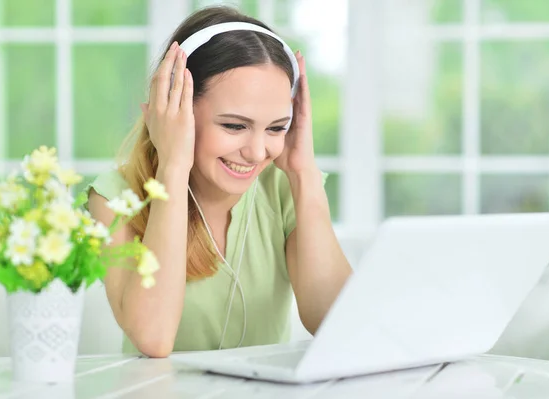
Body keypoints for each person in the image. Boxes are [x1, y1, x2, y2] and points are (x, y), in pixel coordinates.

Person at [85, 5, 352, 358]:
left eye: (276, 127)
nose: (258, 152)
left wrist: (304, 173)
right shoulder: (116, 198)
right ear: (175, 109)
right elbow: (153, 338)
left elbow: (339, 326)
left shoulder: (285, 186)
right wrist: (173, 169)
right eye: (234, 126)